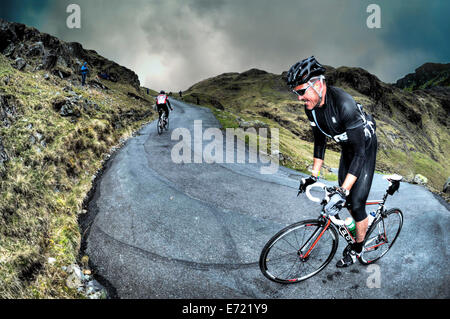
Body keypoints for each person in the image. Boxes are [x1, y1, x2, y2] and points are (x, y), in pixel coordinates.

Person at [288, 56, 377, 268]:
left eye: (302, 91)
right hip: (348, 148)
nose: (299, 98)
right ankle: (361, 221)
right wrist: (313, 176)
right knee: (343, 199)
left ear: (318, 84)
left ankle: (357, 249)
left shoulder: (344, 105)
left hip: (363, 149)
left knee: (354, 203)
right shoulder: (311, 106)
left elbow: (359, 154)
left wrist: (344, 189)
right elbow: (319, 141)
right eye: (296, 93)